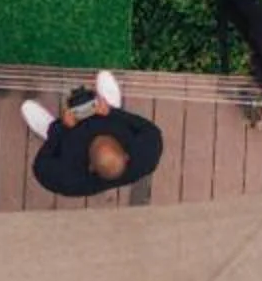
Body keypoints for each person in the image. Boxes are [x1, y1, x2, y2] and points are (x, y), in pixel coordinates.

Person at [22, 71, 165, 198]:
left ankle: (48, 129)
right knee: (111, 111)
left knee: (54, 133)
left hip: (70, 134)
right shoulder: (147, 156)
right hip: (106, 117)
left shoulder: (70, 180)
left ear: (90, 167)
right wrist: (112, 112)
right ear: (126, 155)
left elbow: (41, 166)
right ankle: (111, 103)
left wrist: (59, 130)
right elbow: (147, 128)